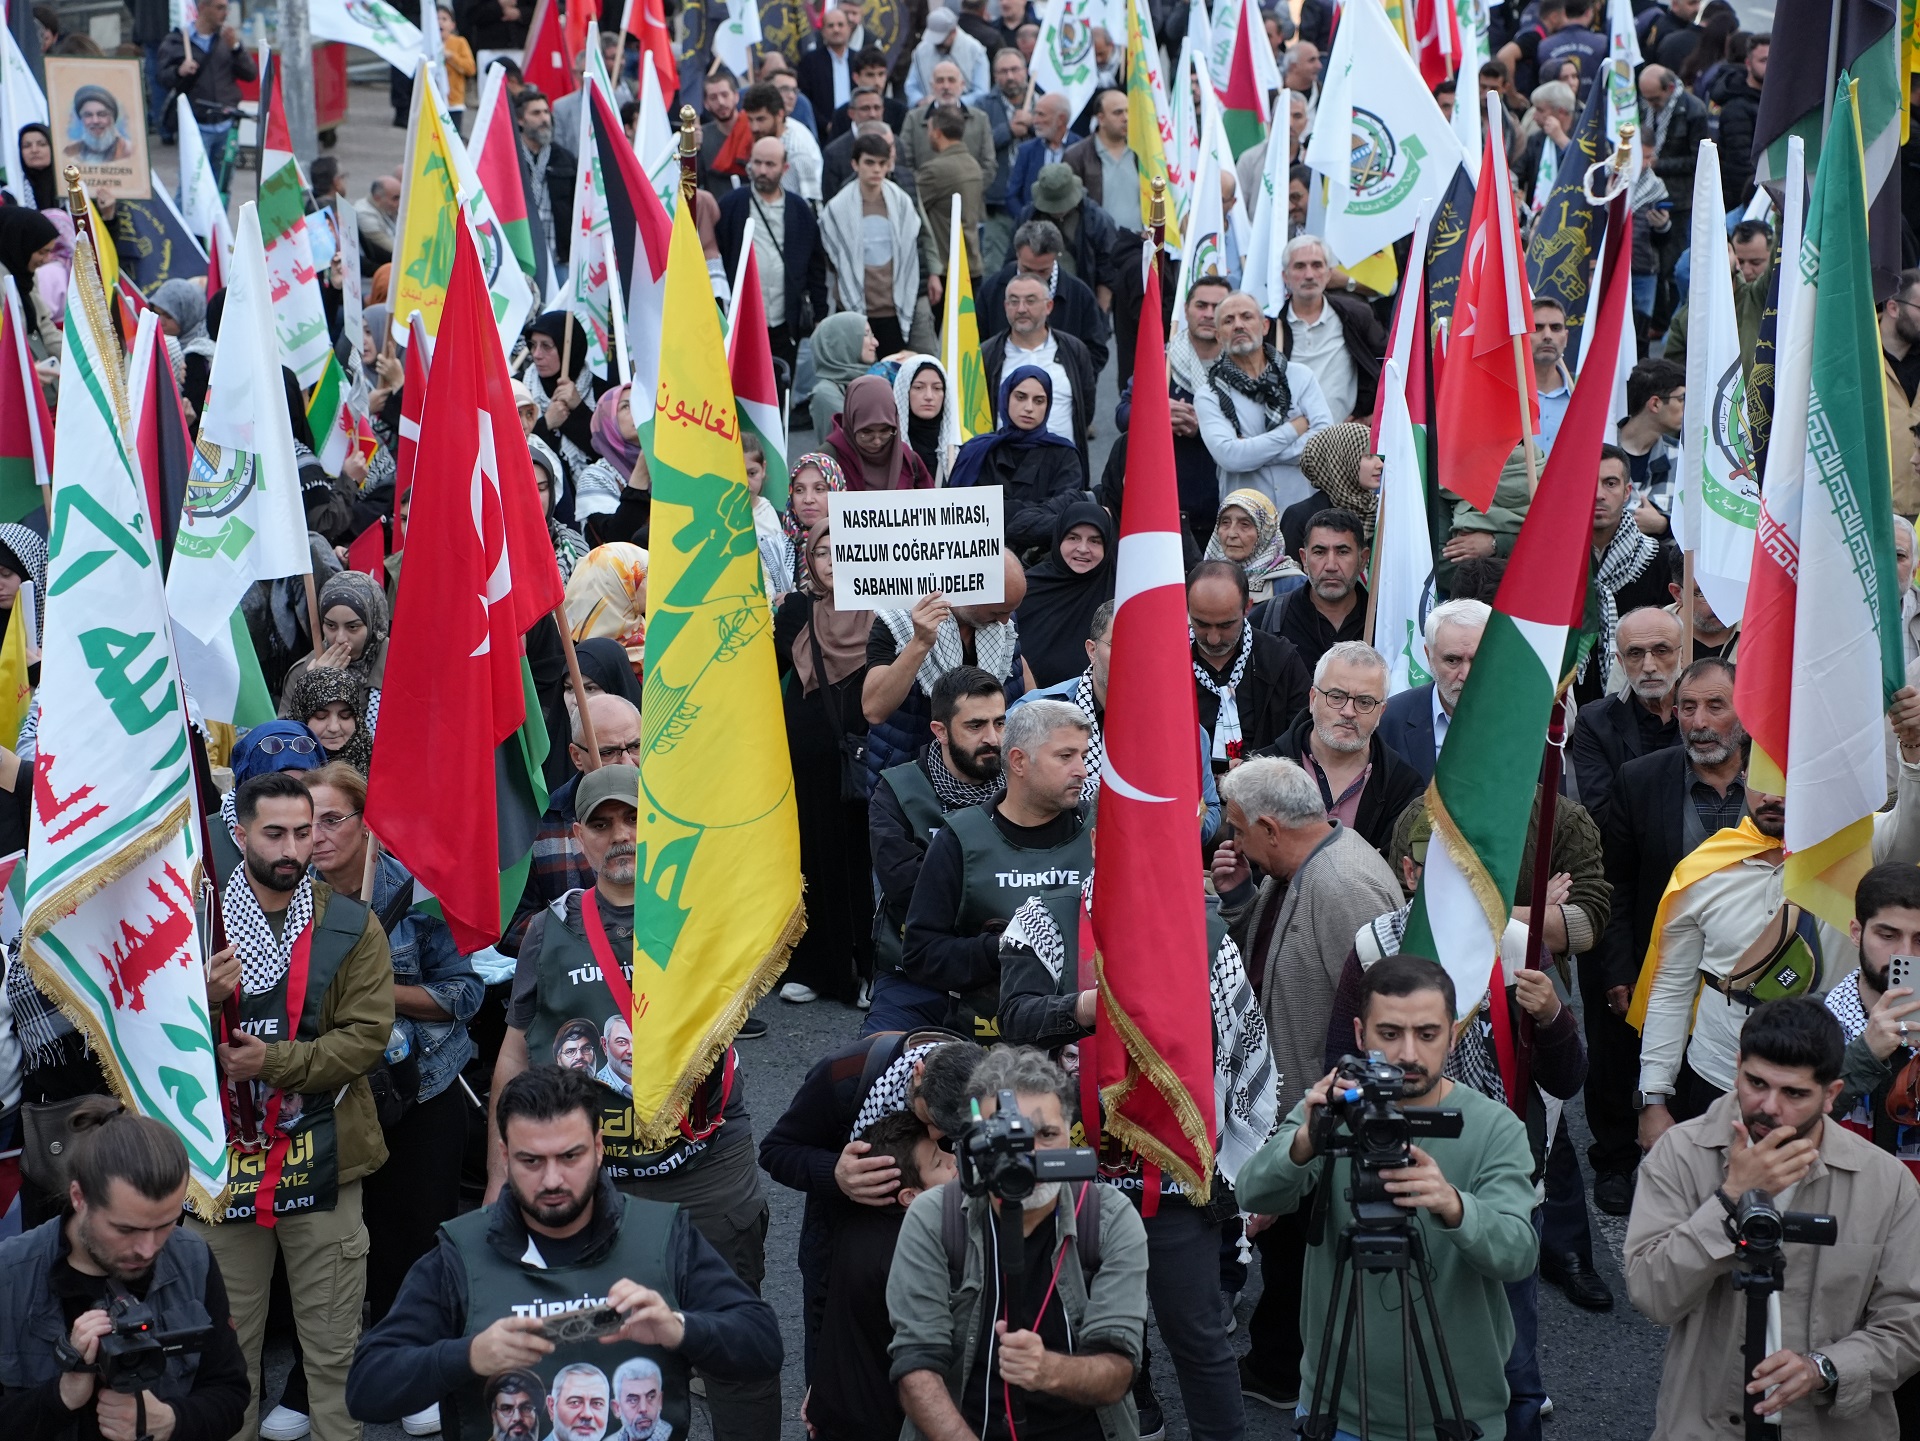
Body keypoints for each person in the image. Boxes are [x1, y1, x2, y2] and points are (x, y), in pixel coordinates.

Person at [488, 767, 780, 1441]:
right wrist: (504, 1173)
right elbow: (512, 1054)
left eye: (636, 819)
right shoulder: (549, 929)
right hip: (599, 1183)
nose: (623, 835)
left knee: (731, 1342)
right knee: (603, 1350)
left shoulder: (705, 915)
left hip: (706, 1168)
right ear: (579, 839)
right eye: (603, 823)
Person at [346, 1066, 782, 1439]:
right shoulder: (459, 1254)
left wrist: (680, 1329)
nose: (552, 1180)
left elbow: (763, 1345)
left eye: (569, 1156)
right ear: (504, 1155)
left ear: (598, 1147)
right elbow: (367, 1389)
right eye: (531, 1161)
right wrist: (468, 1356)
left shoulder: (664, 1235)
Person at [1234, 956, 1539, 1438]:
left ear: (1454, 1035)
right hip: (1336, 1406)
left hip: (1459, 1411)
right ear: (1360, 1035)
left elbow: (1519, 1254)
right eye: (1390, 1034)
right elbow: (1252, 1191)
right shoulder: (1335, 1107)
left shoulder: (1495, 1128)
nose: (1408, 1054)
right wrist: (1306, 1139)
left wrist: (1452, 1205)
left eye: (1428, 1033)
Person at [183, 771, 394, 1441]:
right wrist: (199, 997)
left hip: (325, 1158)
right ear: (238, 833)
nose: (294, 847)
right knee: (224, 1357)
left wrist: (270, 1062)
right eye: (275, 832)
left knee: (334, 1352)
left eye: (307, 831)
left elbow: (364, 1041)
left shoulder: (353, 923)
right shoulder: (195, 925)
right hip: (223, 1162)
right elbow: (146, 1031)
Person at [1209, 769, 1423, 1412]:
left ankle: (1287, 1374)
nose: (1235, 842)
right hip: (1296, 1100)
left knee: (1300, 1250)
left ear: (1273, 828)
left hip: (1320, 1111)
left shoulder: (1346, 888)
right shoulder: (1303, 863)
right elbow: (1276, 954)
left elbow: (1386, 1020)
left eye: (1241, 830)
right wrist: (1241, 897)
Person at [1626, 999, 1920, 1439]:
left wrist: (1825, 1369)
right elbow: (1652, 1293)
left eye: (1794, 1093)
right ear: (1737, 1065)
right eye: (1755, 1083)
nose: (1769, 1107)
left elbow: (1907, 1322)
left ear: (1832, 1095)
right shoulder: (1681, 1154)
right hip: (1705, 1425)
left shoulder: (1887, 1183)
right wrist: (1730, 1199)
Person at [886, 1047, 1150, 1441]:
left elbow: (1119, 1371)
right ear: (973, 1144)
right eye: (1007, 1137)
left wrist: (1047, 1370)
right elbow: (915, 1364)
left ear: (1070, 1136)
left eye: (1046, 1135)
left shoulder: (1109, 1219)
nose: (1027, 1155)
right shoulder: (933, 1218)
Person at [1592, 658, 1747, 1215]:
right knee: (1646, 1077)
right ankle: (1623, 1167)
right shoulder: (1642, 779)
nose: (1698, 721)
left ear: (1747, 708)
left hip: (1750, 985)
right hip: (1661, 970)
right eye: (1687, 708)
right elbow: (1615, 884)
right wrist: (1618, 971)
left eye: (1715, 706)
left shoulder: (1782, 784)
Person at [0, 1098, 250, 1441]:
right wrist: (63, 1394)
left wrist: (170, 1421)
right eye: (126, 1230)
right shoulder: (10, 1275)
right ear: (79, 1197)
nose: (149, 1249)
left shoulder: (192, 1258)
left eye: (166, 1225)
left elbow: (231, 1395)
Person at [759, 1035, 977, 1378]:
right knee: (837, 1377)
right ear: (918, 1073)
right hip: (841, 1258)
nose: (936, 1136)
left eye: (950, 1132)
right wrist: (834, 1173)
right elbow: (776, 1151)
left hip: (939, 1257)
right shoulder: (845, 1076)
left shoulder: (983, 1087)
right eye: (931, 1120)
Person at [898, 699, 1092, 1038]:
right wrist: (1008, 946)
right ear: (1018, 761)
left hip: (1088, 1042)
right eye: (1065, 757)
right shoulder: (961, 839)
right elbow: (921, 955)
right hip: (989, 1042)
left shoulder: (1104, 830)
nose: (1082, 770)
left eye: (1083, 756)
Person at [802, 1110, 962, 1441]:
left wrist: (821, 1384)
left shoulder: (853, 1223)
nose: (952, 1159)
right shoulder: (914, 1259)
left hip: (837, 1408)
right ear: (911, 1197)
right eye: (938, 1163)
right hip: (884, 1423)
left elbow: (828, 1307)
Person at [865, 668, 1008, 1032]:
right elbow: (906, 887)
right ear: (940, 731)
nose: (993, 738)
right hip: (914, 980)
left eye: (1000, 723)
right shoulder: (898, 788)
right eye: (976, 726)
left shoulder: (1025, 786)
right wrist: (999, 878)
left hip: (1007, 976)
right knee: (877, 1068)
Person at [773, 519, 873, 1005]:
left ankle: (868, 967)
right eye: (821, 554)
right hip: (807, 763)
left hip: (865, 757)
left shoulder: (882, 612)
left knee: (863, 859)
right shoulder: (796, 610)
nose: (831, 563)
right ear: (808, 560)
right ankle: (817, 968)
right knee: (813, 857)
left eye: (841, 552)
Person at [861, 552, 1031, 786]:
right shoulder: (897, 621)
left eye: (1009, 612)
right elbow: (874, 709)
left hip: (988, 778)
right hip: (911, 783)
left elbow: (1024, 692)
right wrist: (920, 642)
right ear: (967, 594)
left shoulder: (1002, 625)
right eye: (997, 612)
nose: (1004, 622)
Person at [1256, 641, 1424, 855]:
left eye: (1364, 702)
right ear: (1313, 699)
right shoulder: (1263, 770)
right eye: (1336, 697)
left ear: (1381, 712)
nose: (1348, 711)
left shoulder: (1403, 787)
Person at [1198, 291, 1334, 511]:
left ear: (1264, 327)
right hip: (1246, 524)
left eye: (1246, 317)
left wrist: (1253, 451)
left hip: (1304, 517)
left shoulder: (1300, 376)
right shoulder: (1210, 394)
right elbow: (1231, 458)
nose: (1238, 325)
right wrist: (1292, 430)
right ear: (1218, 336)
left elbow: (1324, 445)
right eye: (1228, 320)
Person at [715, 137, 827, 385]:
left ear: (785, 168)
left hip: (784, 321)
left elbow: (815, 267)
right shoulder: (732, 205)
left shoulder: (799, 210)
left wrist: (820, 314)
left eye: (770, 164)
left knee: (778, 388)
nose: (763, 171)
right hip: (742, 321)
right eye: (757, 163)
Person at [1576, 444, 1675, 706]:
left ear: (1627, 491)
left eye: (1610, 483)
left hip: (1643, 710)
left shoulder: (1658, 562)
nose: (1599, 495)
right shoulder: (1551, 564)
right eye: (1588, 482)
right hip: (1565, 715)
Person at [1187, 560, 1312, 769]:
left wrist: (1253, 767)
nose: (1213, 639)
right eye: (1201, 624)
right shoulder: (1167, 663)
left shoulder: (1280, 661)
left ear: (1247, 608)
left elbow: (1303, 735)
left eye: (1226, 625)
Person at [946, 368, 1086, 555]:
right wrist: (1034, 511)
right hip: (978, 556)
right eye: (1020, 397)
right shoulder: (977, 451)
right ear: (1006, 398)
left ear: (1048, 404)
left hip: (1042, 561)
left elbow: (1065, 517)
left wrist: (997, 511)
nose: (1029, 407)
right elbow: (959, 512)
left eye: (1039, 401)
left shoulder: (1064, 455)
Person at [1568, 606, 1684, 826]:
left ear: (1682, 654)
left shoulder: (1709, 716)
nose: (1648, 666)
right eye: (1635, 653)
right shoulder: (1596, 721)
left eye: (1661, 650)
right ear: (1620, 661)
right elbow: (1602, 817)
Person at [819, 133, 924, 357]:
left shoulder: (901, 202)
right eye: (869, 162)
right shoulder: (838, 208)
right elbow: (833, 256)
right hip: (853, 309)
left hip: (893, 309)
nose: (876, 169)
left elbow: (911, 252)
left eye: (882, 163)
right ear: (855, 164)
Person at [980, 274, 1100, 466]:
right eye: (1013, 301)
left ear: (1049, 306)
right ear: (1005, 307)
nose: (1021, 309)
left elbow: (1086, 407)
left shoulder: (1074, 350)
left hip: (1062, 467)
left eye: (1030, 301)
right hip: (1004, 468)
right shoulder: (987, 355)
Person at [1377, 598, 1491, 787]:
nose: (1466, 675)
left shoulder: (1527, 724)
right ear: (1428, 656)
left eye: (1478, 660)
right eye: (1452, 660)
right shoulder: (1389, 720)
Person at [976, 218, 1112, 376]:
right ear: (1017, 254)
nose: (1034, 278)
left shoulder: (1080, 295)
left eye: (1042, 271)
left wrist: (1072, 384)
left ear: (1056, 257)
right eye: (1027, 269)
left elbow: (1096, 351)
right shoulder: (991, 291)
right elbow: (975, 345)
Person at [1276, 236, 1385, 424]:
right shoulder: (1270, 328)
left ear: (1328, 274)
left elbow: (1391, 365)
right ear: (1285, 276)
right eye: (1300, 266)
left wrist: (1370, 416)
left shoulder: (1355, 316)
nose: (1309, 275)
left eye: (1317, 265)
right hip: (1288, 443)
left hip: (1343, 441)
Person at [1015, 501, 1115, 688]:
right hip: (1031, 707)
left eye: (1094, 541)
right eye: (1073, 538)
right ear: (1059, 538)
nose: (1083, 548)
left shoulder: (1120, 592)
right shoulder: (1028, 587)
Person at [157, 0, 255, 190]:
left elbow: (250, 74)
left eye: (226, 7)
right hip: (197, 125)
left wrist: (236, 48)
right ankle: (185, 221)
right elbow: (162, 78)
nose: (225, 13)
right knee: (193, 189)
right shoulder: (177, 40)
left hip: (226, 125)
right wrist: (179, 71)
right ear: (203, 8)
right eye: (220, 8)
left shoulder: (227, 40)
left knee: (222, 187)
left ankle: (219, 221)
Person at [1258, 509, 1369, 674]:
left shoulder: (1384, 624)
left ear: (1363, 559)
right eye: (1319, 552)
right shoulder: (1268, 620)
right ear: (1304, 559)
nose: (1331, 566)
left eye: (1342, 552)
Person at [521, 312, 603, 497]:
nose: (536, 354)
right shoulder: (518, 389)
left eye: (547, 347)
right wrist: (546, 423)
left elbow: (610, 451)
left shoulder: (603, 393)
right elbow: (507, 450)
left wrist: (579, 409)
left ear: (570, 349)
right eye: (533, 345)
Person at [1277, 423, 1382, 560]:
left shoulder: (1380, 510)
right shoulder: (1300, 516)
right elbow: (1295, 578)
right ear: (1342, 459)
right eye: (1368, 456)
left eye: (1378, 455)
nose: (1380, 464)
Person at [916, 106, 988, 290]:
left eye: (929, 129)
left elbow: (910, 209)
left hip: (946, 270)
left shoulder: (935, 170)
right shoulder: (973, 164)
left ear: (937, 133)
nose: (928, 134)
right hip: (971, 263)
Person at [825, 374, 938, 491]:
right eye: (866, 432)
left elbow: (932, 503)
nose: (877, 441)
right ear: (851, 423)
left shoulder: (907, 459)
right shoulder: (829, 459)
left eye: (885, 431)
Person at [899, 61, 998, 187]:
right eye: (940, 81)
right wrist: (927, 188)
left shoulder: (979, 119)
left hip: (969, 200)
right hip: (925, 200)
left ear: (962, 85)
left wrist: (967, 188)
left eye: (951, 80)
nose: (946, 86)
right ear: (932, 86)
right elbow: (904, 163)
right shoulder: (914, 119)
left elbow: (989, 165)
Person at [1616, 359, 1686, 536]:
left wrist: (1663, 525)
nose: (1688, 407)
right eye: (1681, 399)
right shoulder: (1599, 453)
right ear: (1655, 404)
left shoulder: (1683, 458)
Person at [1204, 488, 1305, 609]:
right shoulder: (1205, 578)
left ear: (1265, 533)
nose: (1231, 534)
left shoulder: (1292, 584)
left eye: (1245, 524)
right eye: (1225, 522)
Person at [1061, 87, 1140, 235]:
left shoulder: (1142, 153)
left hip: (1140, 246)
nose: (1126, 118)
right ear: (1101, 118)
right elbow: (1069, 208)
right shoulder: (1077, 155)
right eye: (1118, 112)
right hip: (1099, 248)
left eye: (1128, 111)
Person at [513, 91, 576, 270]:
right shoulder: (510, 158)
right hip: (521, 259)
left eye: (546, 112)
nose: (544, 119)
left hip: (559, 258)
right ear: (520, 120)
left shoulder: (565, 158)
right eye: (536, 113)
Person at [737, 82, 822, 204]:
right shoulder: (760, 138)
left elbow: (812, 204)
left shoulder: (798, 149)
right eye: (750, 120)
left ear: (779, 115)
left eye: (761, 119)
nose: (754, 127)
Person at [284, 667, 376, 774]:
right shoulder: (285, 772)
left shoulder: (379, 765)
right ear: (301, 717)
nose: (334, 728)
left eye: (345, 716)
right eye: (321, 716)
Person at [1712, 33, 1766, 206]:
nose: (1771, 66)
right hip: (1744, 198)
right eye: (1763, 61)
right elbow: (1741, 165)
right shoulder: (1737, 107)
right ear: (1748, 64)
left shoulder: (1774, 99)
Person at [808, 313, 879, 440]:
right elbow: (863, 437)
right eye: (866, 334)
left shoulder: (872, 377)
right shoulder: (825, 393)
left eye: (872, 335)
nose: (875, 342)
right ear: (843, 341)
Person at [1005, 93, 1073, 221]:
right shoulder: (1026, 150)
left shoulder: (1079, 148)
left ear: (1061, 119)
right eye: (1035, 114)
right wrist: (1027, 221)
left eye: (1041, 114)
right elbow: (1012, 195)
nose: (1034, 120)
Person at [891, 355, 957, 485]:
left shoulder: (956, 451)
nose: (929, 396)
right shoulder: (889, 448)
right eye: (918, 387)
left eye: (937, 388)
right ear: (905, 391)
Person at [906, 8, 990, 106]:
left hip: (966, 112)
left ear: (953, 32)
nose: (937, 43)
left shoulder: (975, 50)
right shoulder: (921, 50)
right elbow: (911, 86)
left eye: (941, 39)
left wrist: (955, 103)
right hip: (929, 110)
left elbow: (982, 91)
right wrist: (921, 101)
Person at [797, 6, 858, 131]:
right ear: (823, 31)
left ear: (849, 29)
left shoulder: (859, 59)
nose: (836, 30)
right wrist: (825, 125)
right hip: (823, 132)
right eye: (830, 26)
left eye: (840, 25)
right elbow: (806, 98)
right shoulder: (810, 61)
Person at [356, 176, 401, 274]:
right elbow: (394, 250)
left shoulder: (384, 206)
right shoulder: (365, 215)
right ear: (377, 198)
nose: (400, 203)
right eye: (396, 198)